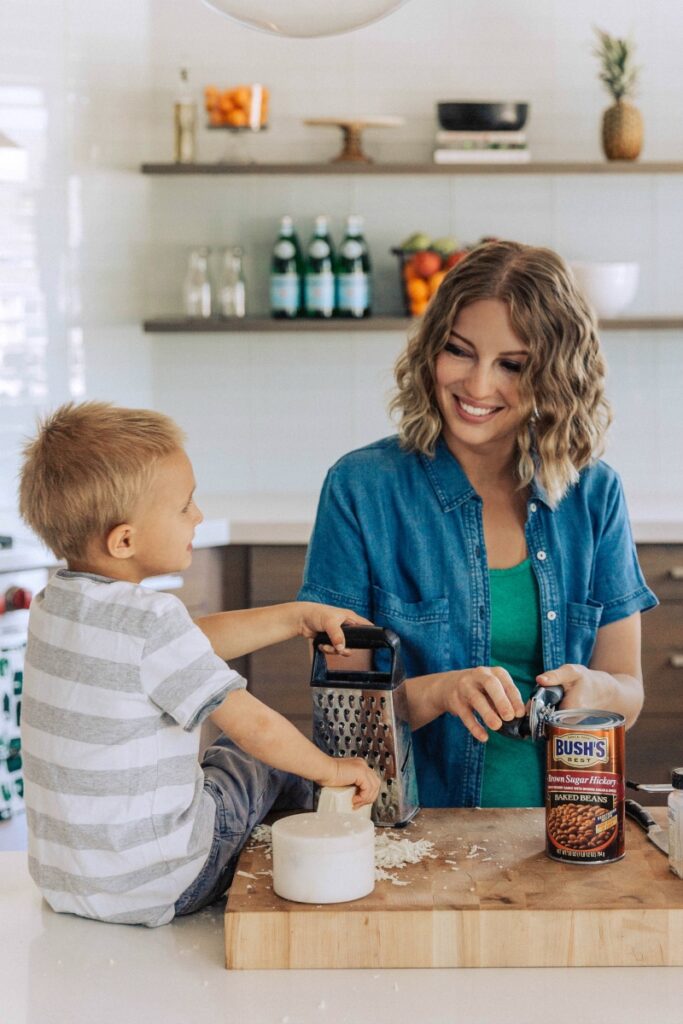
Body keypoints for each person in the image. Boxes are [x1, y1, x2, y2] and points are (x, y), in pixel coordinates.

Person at [299, 240, 657, 809]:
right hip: (417, 832)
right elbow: (342, 721)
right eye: (460, 352)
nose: (478, 385)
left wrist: (595, 691)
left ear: (555, 375)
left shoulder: (596, 493)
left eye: (512, 365)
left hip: (565, 830)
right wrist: (440, 691)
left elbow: (628, 691)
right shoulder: (361, 488)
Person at [18, 401, 379, 927]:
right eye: (185, 507)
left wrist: (294, 616)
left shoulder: (54, 605)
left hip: (70, 884)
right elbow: (254, 724)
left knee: (223, 763)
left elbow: (181, 646)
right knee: (252, 755)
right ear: (124, 540)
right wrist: (331, 768)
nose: (199, 517)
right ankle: (333, 821)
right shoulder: (152, 618)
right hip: (169, 882)